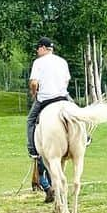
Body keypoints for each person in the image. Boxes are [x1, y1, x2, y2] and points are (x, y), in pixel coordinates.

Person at [27, 37, 70, 194]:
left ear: (43, 48)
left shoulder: (39, 62)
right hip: (63, 96)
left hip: (45, 98)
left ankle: (32, 148)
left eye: (38, 48)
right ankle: (84, 137)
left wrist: (34, 94)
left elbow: (33, 82)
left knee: (30, 121)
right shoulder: (62, 61)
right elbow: (66, 80)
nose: (37, 51)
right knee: (77, 113)